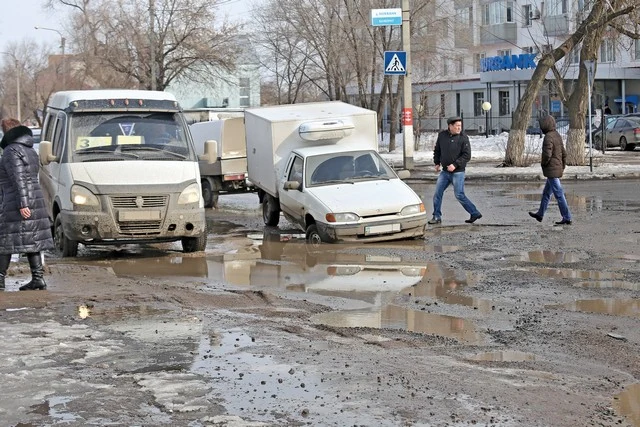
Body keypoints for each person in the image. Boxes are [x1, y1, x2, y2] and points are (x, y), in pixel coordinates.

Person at [0, 118, 54, 291]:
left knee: (5, 241)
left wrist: (23, 203)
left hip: (17, 201)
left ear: (6, 132)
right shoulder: (29, 149)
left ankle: (0, 280)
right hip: (34, 199)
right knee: (33, 240)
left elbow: (19, 179)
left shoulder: (11, 151)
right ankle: (37, 279)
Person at [428, 116, 482, 225]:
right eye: (457, 126)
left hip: (458, 172)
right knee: (437, 193)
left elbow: (467, 155)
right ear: (450, 126)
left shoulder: (463, 138)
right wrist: (437, 162)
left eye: (460, 126)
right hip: (445, 172)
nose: (459, 128)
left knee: (459, 195)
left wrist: (455, 165)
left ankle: (474, 212)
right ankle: (436, 216)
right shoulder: (442, 136)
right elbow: (437, 150)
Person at [528, 115, 572, 226]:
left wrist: (543, 163)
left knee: (558, 194)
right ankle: (540, 214)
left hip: (552, 169)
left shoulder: (548, 137)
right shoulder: (557, 135)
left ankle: (567, 217)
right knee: (546, 193)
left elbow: (547, 154)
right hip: (556, 168)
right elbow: (564, 153)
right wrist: (562, 165)